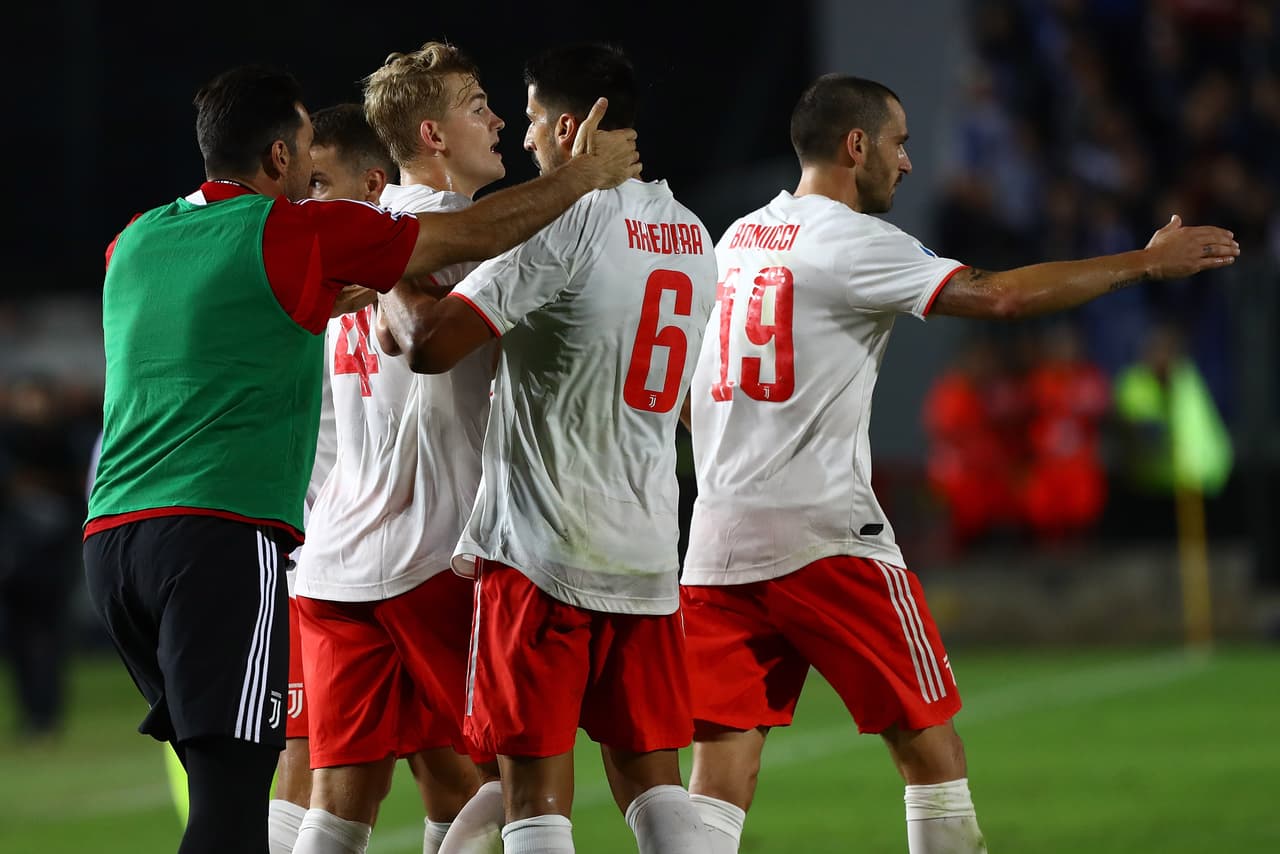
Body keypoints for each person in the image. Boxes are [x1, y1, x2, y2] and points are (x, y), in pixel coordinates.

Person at [82, 62, 639, 854]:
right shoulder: (304, 229)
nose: (314, 176)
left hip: (116, 543)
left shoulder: (133, 240)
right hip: (233, 536)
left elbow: (228, 315)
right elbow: (473, 236)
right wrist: (585, 175)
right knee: (252, 800)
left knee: (321, 791)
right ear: (279, 160)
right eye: (306, 154)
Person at [679, 72, 1239, 854]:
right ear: (856, 145)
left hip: (715, 545)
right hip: (825, 540)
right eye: (899, 143)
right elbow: (1000, 296)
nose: (907, 164)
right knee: (931, 755)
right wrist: (1144, 264)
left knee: (717, 776)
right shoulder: (854, 239)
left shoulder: (738, 235)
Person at [372, 43, 717, 854]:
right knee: (652, 777)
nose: (522, 139)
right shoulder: (692, 233)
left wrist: (390, 260)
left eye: (528, 120)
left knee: (532, 793)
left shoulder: (566, 221)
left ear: (571, 126)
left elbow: (430, 346)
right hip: (644, 547)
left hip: (543, 548)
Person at [288, 47, 510, 854]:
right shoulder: (443, 235)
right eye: (479, 103)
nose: (499, 120)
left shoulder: (347, 232)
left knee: (340, 806)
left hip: (337, 557)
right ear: (431, 133)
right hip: (436, 552)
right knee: (522, 789)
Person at [268, 101, 392, 854]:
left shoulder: (406, 268)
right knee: (309, 764)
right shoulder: (303, 284)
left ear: (374, 185)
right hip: (324, 567)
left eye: (320, 184)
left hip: (404, 556)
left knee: (442, 770)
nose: (304, 202)